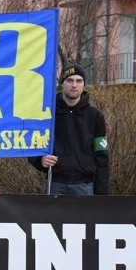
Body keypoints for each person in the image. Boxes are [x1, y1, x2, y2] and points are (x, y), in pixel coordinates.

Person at [28, 64, 109, 195]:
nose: (74, 85)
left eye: (79, 81)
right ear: (62, 84)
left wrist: (101, 192)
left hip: (85, 187)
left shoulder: (95, 116)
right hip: (55, 184)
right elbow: (32, 145)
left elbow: (102, 156)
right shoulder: (47, 114)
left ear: (83, 85)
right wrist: (40, 160)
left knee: (83, 217)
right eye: (69, 80)